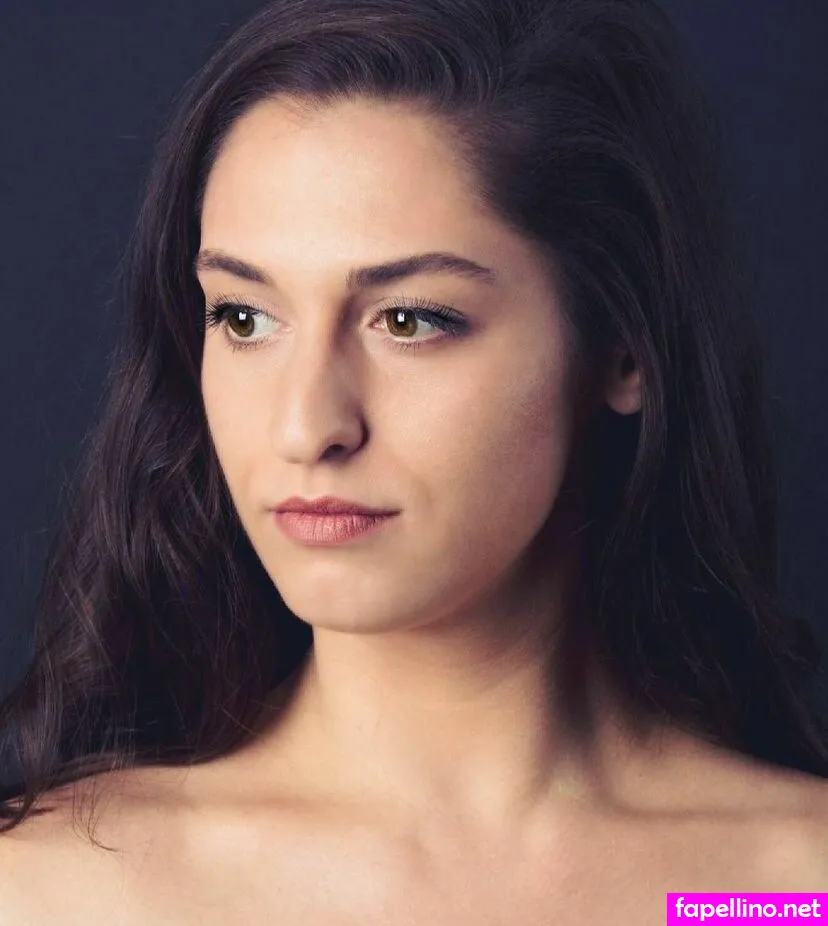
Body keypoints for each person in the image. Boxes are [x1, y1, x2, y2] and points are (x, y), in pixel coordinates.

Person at [1, 0, 826, 920]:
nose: (307, 427)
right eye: (244, 317)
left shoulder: (793, 886)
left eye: (408, 320)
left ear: (621, 348)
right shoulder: (48, 888)